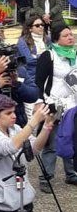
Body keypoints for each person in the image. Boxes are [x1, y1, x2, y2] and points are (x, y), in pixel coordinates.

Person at [35, 24, 77, 189]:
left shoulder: (74, 54)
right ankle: (46, 177)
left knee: (71, 139)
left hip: (73, 105)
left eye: (71, 34)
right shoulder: (49, 55)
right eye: (66, 35)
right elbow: (38, 81)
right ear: (56, 39)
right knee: (51, 143)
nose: (71, 37)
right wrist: (40, 103)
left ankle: (71, 173)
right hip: (54, 104)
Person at [17, 14, 49, 81]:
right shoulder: (22, 41)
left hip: (47, 72)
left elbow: (55, 55)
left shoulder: (48, 38)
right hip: (31, 74)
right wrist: (47, 57)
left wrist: (36, 56)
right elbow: (29, 60)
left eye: (42, 25)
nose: (41, 27)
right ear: (30, 29)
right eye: (37, 25)